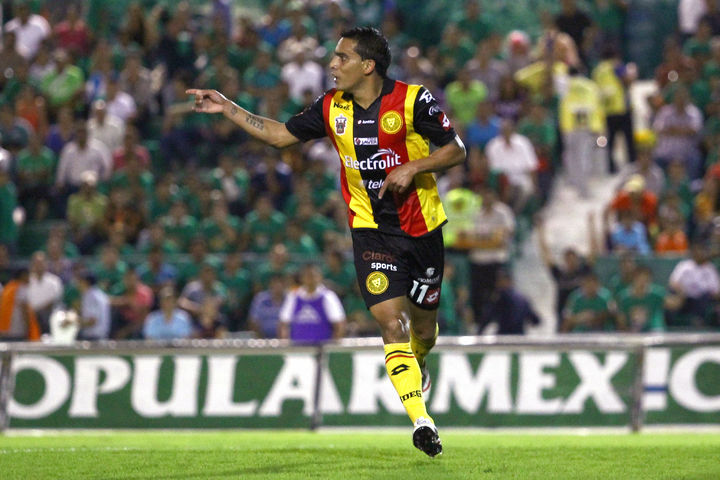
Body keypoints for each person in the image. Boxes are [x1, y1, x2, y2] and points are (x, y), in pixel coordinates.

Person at [187, 26, 465, 457]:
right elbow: (280, 135)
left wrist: (414, 167)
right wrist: (227, 107)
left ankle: (421, 360)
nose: (332, 64)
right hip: (370, 230)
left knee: (424, 330)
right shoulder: (331, 106)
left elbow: (456, 149)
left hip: (422, 229)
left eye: (342, 57)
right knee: (392, 323)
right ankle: (421, 420)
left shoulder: (413, 100)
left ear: (368, 66)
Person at [278, 263, 346, 342]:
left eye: (313, 275)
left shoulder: (328, 296)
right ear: (301, 278)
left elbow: (339, 324)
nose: (311, 279)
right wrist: (285, 344)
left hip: (322, 347)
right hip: (297, 347)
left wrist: (332, 346)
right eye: (307, 276)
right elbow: (283, 324)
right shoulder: (293, 296)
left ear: (320, 277)